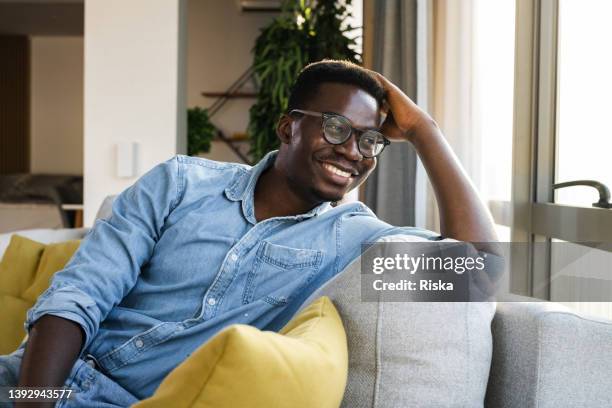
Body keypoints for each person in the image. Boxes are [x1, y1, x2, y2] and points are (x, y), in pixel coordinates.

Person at [0, 60, 497, 407]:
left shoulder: (355, 239)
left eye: (370, 141)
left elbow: (479, 273)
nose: (354, 152)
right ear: (287, 129)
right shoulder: (179, 183)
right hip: (31, 382)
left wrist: (424, 130)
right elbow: (79, 294)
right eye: (336, 128)